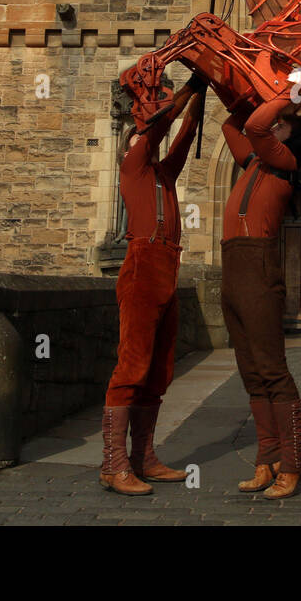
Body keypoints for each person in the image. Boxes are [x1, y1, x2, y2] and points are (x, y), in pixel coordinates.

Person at [220, 87, 301, 500]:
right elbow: (235, 123)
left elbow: (254, 125)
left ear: (288, 133)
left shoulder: (284, 162)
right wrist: (246, 92)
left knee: (271, 368)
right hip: (232, 267)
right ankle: (266, 459)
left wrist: (286, 94)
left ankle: (293, 460)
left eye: (280, 124)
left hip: (259, 267)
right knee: (250, 371)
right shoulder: (252, 162)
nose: (272, 126)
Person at [100, 72, 204, 496]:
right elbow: (160, 126)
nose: (142, 141)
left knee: (158, 371)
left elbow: (184, 134)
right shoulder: (133, 162)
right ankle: (113, 463)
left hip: (167, 268)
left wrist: (200, 90)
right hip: (142, 267)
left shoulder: (162, 175)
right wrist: (182, 93)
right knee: (132, 366)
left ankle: (144, 457)